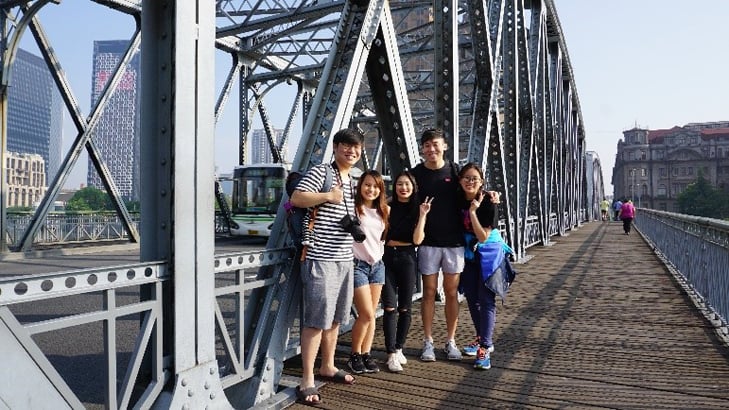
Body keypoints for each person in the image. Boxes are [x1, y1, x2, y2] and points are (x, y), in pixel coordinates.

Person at [289, 128, 363, 405]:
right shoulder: (322, 172)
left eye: (356, 148)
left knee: (335, 318)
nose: (351, 151)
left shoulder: (352, 179)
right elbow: (297, 198)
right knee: (316, 320)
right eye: (346, 146)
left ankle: (328, 366)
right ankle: (307, 380)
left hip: (345, 258)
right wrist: (328, 197)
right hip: (320, 258)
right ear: (335, 147)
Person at [410, 128, 466, 362]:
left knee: (452, 293)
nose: (431, 149)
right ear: (422, 149)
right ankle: (428, 341)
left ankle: (451, 340)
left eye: (435, 144)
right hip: (428, 243)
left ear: (444, 146)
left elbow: (473, 191)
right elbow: (403, 200)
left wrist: (489, 200)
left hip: (454, 242)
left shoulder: (455, 172)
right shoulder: (415, 174)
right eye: (426, 145)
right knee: (429, 293)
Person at [381, 171, 431, 372]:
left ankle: (399, 347)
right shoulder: (387, 206)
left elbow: (418, 240)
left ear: (413, 187)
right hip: (386, 256)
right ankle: (391, 353)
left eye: (407, 184)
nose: (403, 187)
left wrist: (423, 215)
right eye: (400, 184)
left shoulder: (418, 207)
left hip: (408, 257)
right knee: (390, 307)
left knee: (405, 307)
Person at [457, 163, 503, 370]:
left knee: (486, 299)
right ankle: (481, 337)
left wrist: (473, 212)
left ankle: (485, 346)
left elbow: (483, 236)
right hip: (468, 253)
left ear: (482, 182)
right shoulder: (457, 197)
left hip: (488, 253)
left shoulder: (488, 202)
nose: (470, 182)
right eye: (466, 177)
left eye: (475, 178)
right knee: (472, 298)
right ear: (460, 180)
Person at [347, 170, 389, 375]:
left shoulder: (385, 211)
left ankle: (366, 353)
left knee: (371, 316)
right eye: (367, 185)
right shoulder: (354, 209)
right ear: (360, 186)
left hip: (377, 266)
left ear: (380, 189)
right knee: (366, 313)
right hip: (358, 266)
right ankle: (354, 354)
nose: (371, 189)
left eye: (375, 186)